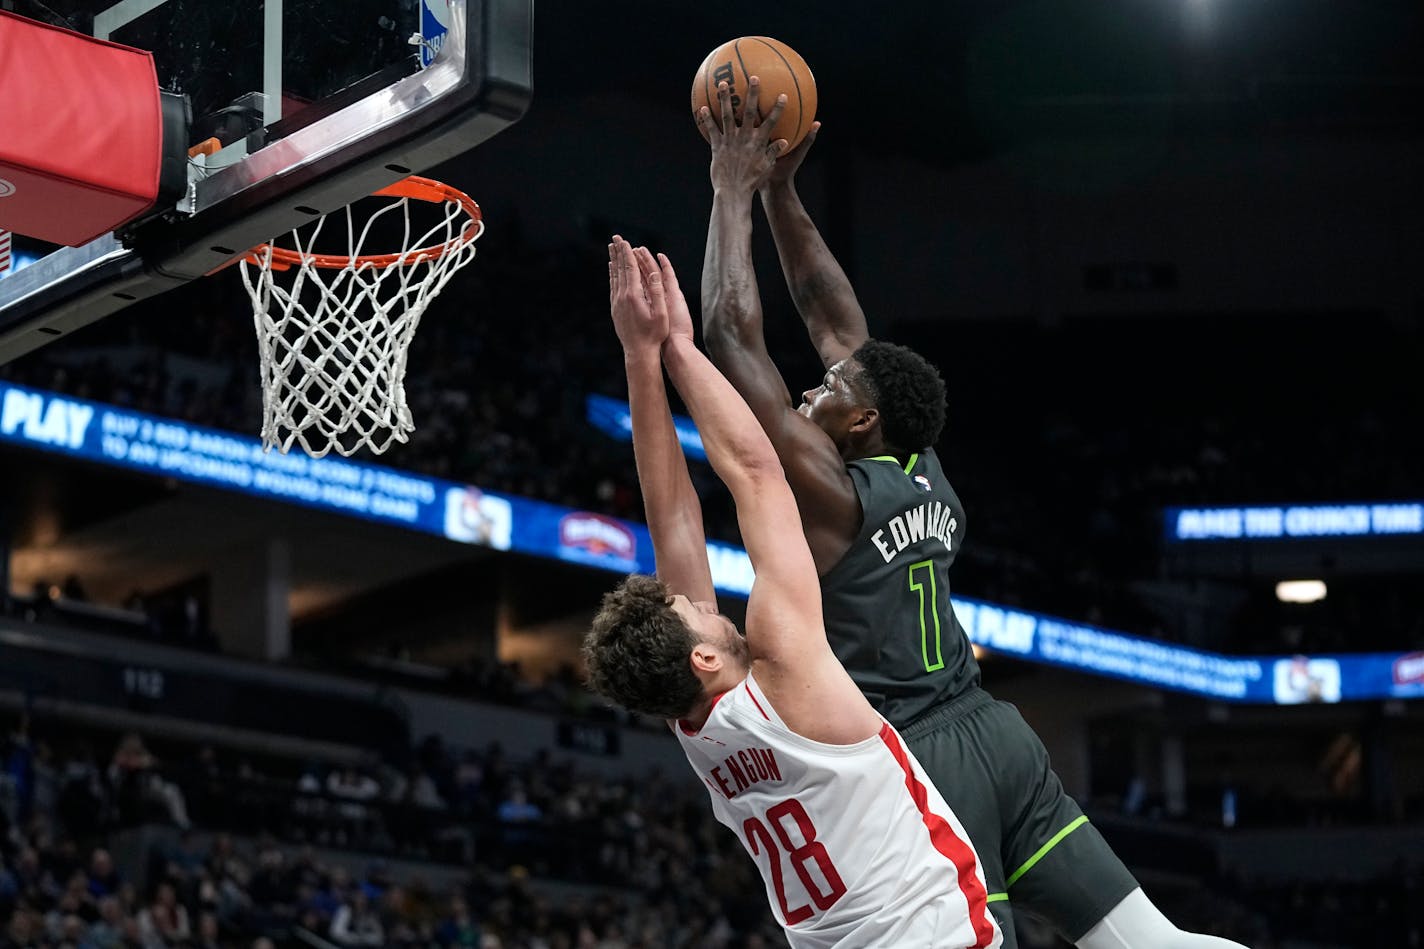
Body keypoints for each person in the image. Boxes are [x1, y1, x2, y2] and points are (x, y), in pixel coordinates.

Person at [695, 77, 1251, 949]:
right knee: (1157, 942)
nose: (815, 385)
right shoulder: (924, 467)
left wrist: (731, 183)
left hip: (919, 759)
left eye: (831, 389)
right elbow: (835, 320)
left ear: (864, 419)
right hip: (999, 736)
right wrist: (784, 191)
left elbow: (733, 336)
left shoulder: (832, 495)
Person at [583, 237, 1002, 948]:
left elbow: (675, 522)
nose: (705, 603)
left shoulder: (694, 725)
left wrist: (638, 362)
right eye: (698, 614)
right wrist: (676, 347)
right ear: (703, 659)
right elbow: (756, 471)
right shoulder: (785, 670)